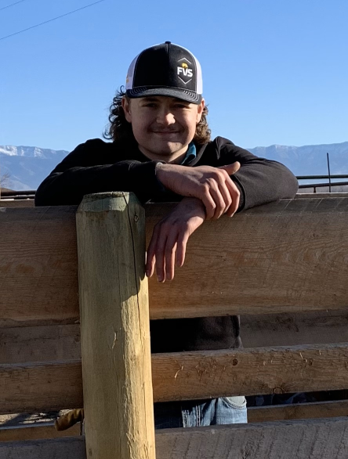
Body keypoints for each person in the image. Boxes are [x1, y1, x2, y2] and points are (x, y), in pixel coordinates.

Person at [35, 41, 298, 428]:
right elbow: (49, 192)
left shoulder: (216, 156)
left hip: (217, 388)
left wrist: (202, 202)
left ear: (200, 110)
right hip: (123, 383)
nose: (167, 119)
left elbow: (281, 176)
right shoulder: (98, 157)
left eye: (179, 106)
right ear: (126, 108)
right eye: (151, 105)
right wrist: (158, 175)